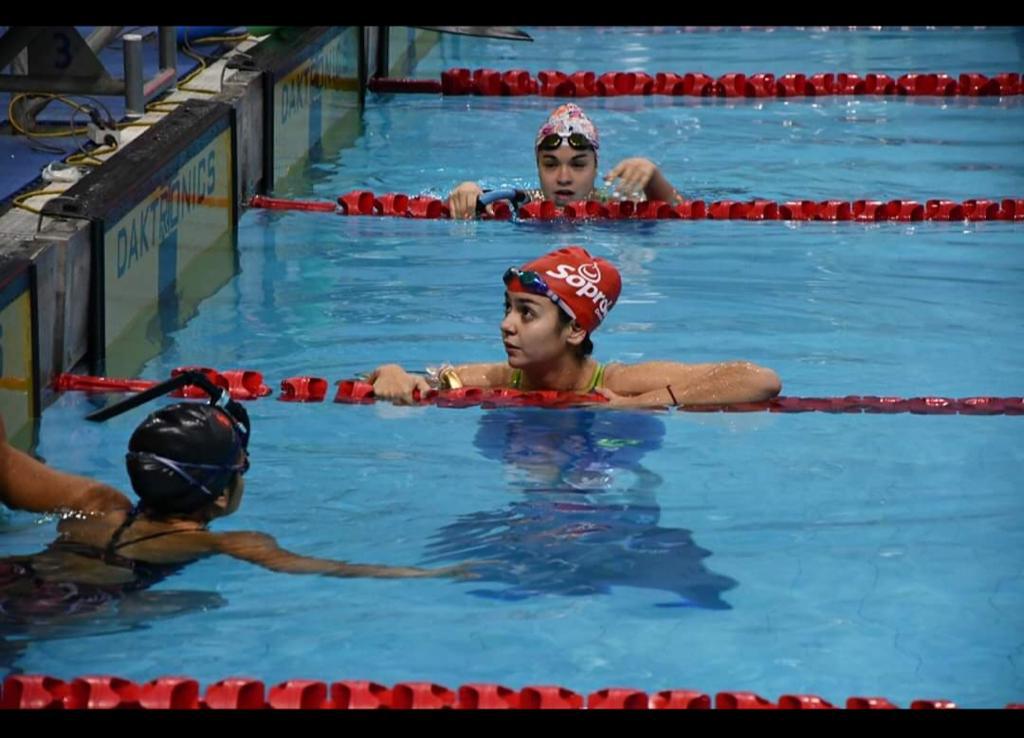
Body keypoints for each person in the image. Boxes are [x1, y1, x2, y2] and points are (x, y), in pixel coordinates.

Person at [0, 399, 468, 621]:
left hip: (16, 576)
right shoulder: (225, 541)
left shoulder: (95, 502)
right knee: (204, 602)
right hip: (68, 610)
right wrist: (432, 576)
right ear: (222, 495)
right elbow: (327, 569)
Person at [368, 246, 782, 407]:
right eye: (508, 309)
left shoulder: (620, 379)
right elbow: (422, 379)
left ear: (575, 330)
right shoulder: (500, 376)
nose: (505, 326)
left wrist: (639, 402)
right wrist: (392, 373)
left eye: (526, 313)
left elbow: (759, 380)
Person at [447, 103, 685, 219]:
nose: (563, 178)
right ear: (537, 166)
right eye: (550, 164)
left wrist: (654, 179)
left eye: (578, 164)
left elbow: (678, 212)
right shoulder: (519, 201)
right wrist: (468, 192)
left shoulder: (613, 205)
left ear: (595, 168)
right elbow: (469, 203)